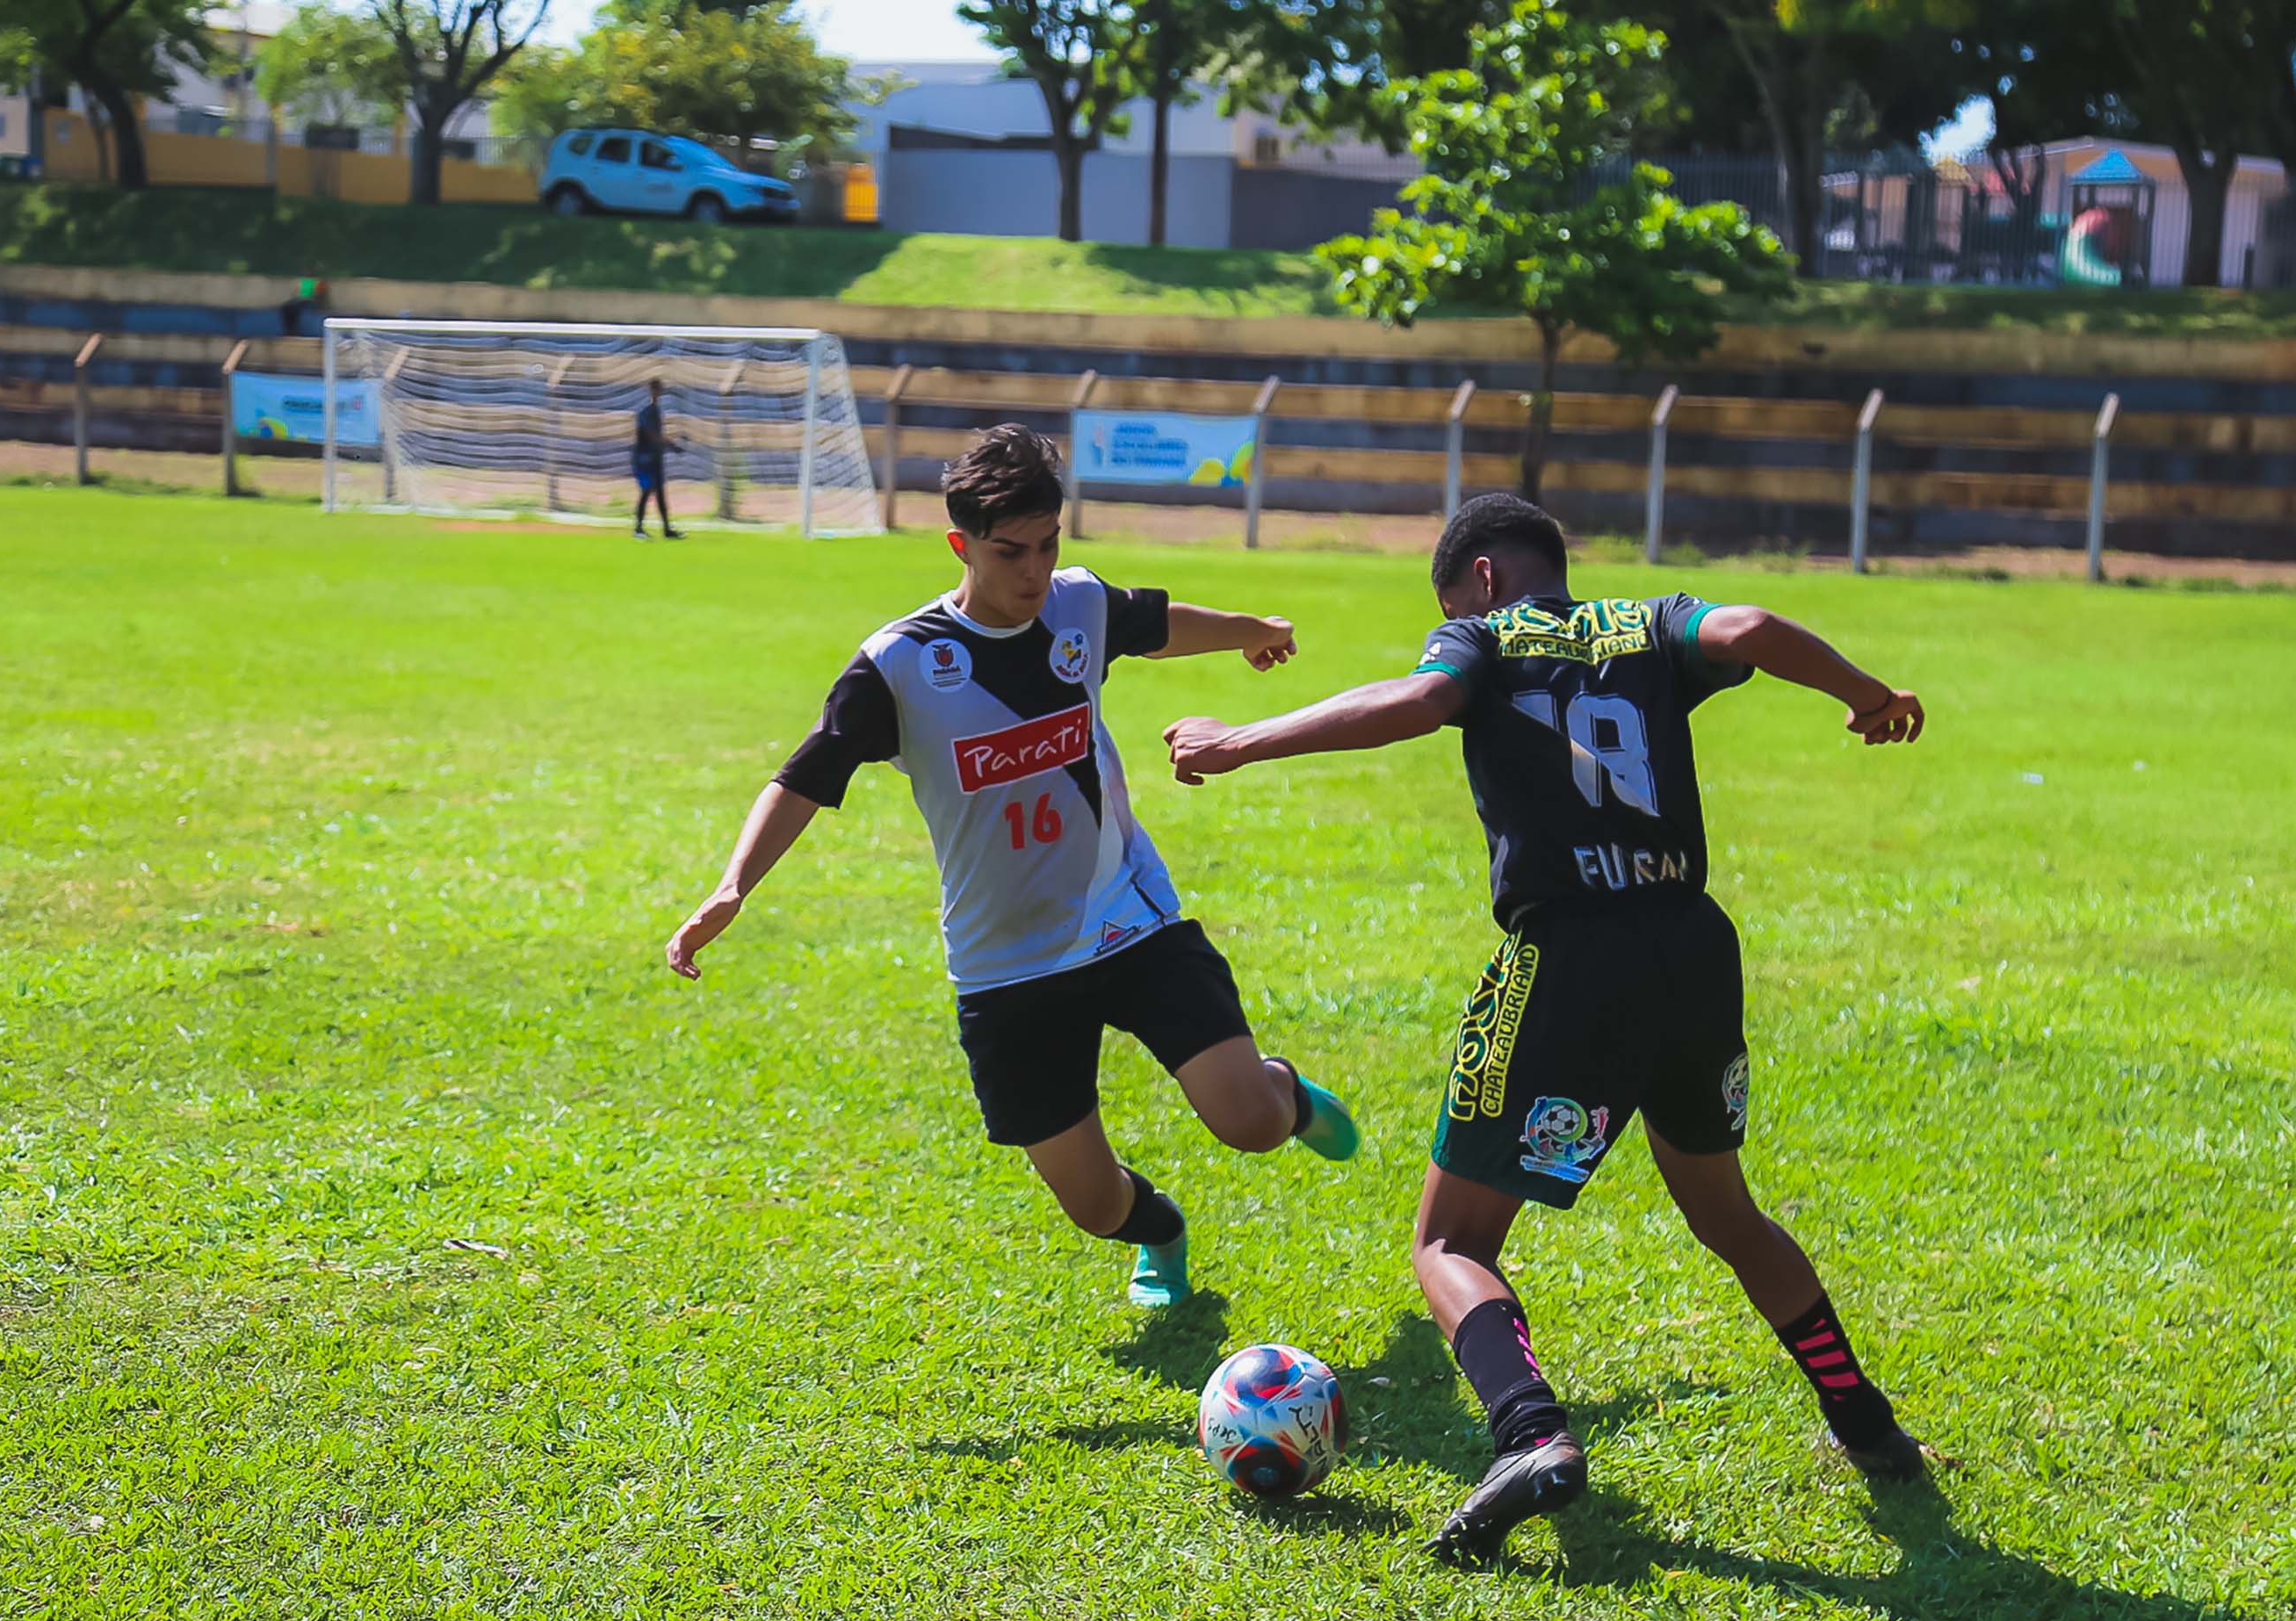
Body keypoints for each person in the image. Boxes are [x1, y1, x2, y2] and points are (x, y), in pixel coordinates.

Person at [1160, 493, 1931, 1562]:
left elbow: (1426, 697)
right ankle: (1867, 1422)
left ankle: (1531, 1435)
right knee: (1727, 1212)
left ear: (1478, 578)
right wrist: (1867, 693)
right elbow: (1751, 628)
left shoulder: (1482, 636)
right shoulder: (1648, 622)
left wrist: (1237, 740)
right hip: (1694, 950)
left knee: (1448, 1240)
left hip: (1571, 958)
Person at [667, 424, 1360, 1308]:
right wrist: (733, 884)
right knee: (1095, 1203)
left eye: (1048, 544)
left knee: (1249, 1122)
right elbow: (807, 774)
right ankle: (1163, 1232)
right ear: (961, 545)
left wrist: (1249, 632)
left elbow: (1154, 621)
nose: (1033, 571)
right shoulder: (900, 664)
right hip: (1007, 962)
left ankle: (1287, 1095)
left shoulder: (1076, 604)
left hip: (1129, 915)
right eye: (1008, 552)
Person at [632, 378, 680, 539]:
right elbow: (652, 436)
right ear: (651, 390)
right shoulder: (645, 412)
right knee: (646, 491)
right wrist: (670, 444)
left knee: (659, 493)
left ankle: (667, 529)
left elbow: (656, 436)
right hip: (644, 458)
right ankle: (638, 529)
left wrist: (668, 445)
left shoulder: (656, 411)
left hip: (655, 458)